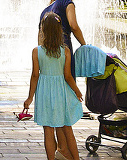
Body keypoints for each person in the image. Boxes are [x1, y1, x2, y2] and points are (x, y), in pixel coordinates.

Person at [23, 13, 83, 160]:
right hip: (60, 92)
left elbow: (35, 76)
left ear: (43, 30)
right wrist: (77, 91)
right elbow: (68, 76)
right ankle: (76, 158)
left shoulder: (37, 51)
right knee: (67, 129)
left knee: (48, 131)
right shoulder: (65, 51)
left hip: (44, 93)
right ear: (59, 30)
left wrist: (30, 98)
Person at [39, 0, 87, 84]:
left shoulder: (44, 12)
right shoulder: (67, 3)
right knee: (68, 76)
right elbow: (73, 26)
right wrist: (83, 44)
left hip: (46, 46)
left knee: (53, 78)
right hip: (62, 41)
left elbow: (40, 35)